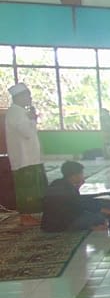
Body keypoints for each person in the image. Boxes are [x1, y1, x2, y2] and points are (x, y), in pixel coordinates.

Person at [5, 83, 46, 225]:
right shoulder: (16, 113)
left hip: (30, 158)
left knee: (34, 188)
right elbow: (27, 133)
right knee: (26, 189)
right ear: (19, 97)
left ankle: (31, 214)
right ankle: (25, 216)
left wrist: (31, 119)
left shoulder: (21, 112)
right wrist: (32, 119)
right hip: (24, 159)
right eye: (28, 96)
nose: (30, 99)